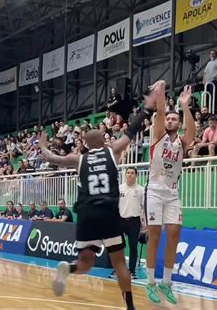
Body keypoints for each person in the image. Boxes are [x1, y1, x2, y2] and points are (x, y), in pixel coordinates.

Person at [38, 86, 157, 310]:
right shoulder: (113, 151)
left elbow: (52, 157)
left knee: (86, 262)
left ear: (85, 144)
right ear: (104, 141)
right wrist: (146, 110)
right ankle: (130, 307)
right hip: (109, 212)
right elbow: (131, 130)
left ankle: (69, 268)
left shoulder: (77, 159)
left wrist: (43, 144)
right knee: (120, 263)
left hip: (86, 214)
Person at [144, 82, 196, 305]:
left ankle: (166, 282)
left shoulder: (182, 143)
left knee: (174, 234)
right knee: (154, 234)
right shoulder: (158, 135)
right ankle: (150, 282)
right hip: (155, 191)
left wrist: (185, 106)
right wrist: (161, 91)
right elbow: (161, 111)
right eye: (169, 118)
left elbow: (192, 132)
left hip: (173, 193)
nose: (171, 120)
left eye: (175, 119)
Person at [109, 167, 143, 280]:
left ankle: (132, 270)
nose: (130, 175)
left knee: (133, 246)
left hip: (134, 221)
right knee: (118, 247)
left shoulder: (141, 190)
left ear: (136, 175)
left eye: (132, 173)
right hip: (120, 221)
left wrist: (144, 223)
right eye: (128, 173)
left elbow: (144, 207)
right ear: (125, 175)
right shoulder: (120, 189)